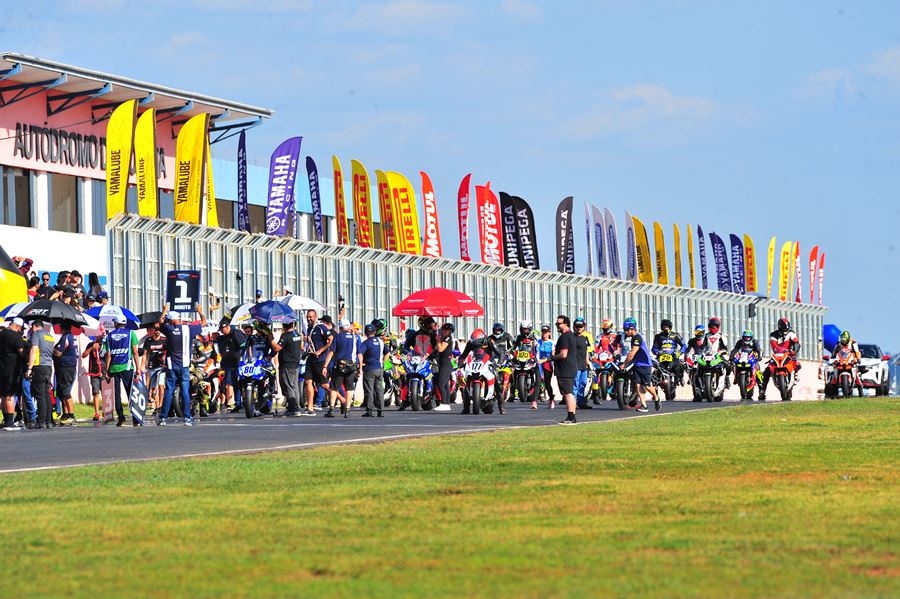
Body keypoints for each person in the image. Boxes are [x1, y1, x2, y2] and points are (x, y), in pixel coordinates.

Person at [158, 304, 207, 426]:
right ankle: (187, 418)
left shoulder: (168, 329)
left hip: (171, 365)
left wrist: (164, 310)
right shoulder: (188, 329)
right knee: (185, 390)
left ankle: (163, 418)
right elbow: (204, 323)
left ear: (170, 320)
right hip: (184, 364)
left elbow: (159, 323)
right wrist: (200, 312)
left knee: (169, 390)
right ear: (178, 319)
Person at [104, 315, 142, 426]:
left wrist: (107, 370)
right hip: (127, 367)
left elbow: (109, 354)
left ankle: (121, 419)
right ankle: (135, 418)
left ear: (115, 323)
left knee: (116, 394)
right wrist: (138, 368)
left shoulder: (109, 335)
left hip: (114, 368)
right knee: (130, 392)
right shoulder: (131, 333)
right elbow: (135, 352)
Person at [622, 317, 661, 413]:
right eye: (625, 330)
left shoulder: (637, 338)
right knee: (638, 385)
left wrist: (624, 364)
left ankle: (656, 397)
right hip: (637, 364)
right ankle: (644, 405)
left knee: (647, 385)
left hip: (645, 365)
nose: (626, 332)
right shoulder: (632, 339)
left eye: (627, 329)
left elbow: (632, 354)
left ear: (632, 329)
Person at [323, 319, 359, 418]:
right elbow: (359, 353)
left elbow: (331, 352)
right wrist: (359, 366)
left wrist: (325, 366)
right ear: (348, 327)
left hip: (339, 365)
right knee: (349, 388)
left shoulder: (337, 337)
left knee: (334, 387)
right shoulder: (354, 337)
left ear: (341, 327)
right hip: (351, 365)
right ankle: (347, 410)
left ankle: (331, 409)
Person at [759, 317, 801, 401]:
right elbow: (774, 346)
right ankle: (762, 392)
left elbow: (796, 342)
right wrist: (777, 349)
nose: (785, 329)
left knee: (797, 364)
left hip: (789, 354)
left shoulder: (791, 333)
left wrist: (794, 350)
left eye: (787, 327)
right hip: (777, 355)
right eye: (784, 328)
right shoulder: (773, 335)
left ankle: (795, 375)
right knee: (767, 371)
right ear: (779, 327)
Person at [25, 320, 55, 429]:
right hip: (48, 367)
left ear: (34, 326)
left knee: (40, 395)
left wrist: (29, 368)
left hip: (39, 367)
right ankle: (48, 421)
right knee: (46, 394)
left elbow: (34, 350)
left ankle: (41, 421)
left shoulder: (36, 335)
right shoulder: (49, 336)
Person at [304, 310, 333, 415]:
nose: (309, 319)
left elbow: (331, 339)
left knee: (325, 385)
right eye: (308, 317)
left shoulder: (321, 327)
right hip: (310, 359)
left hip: (320, 360)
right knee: (308, 382)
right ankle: (310, 407)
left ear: (315, 317)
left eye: (311, 317)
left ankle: (342, 399)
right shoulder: (308, 329)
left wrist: (320, 351)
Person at [0, 318, 27, 431]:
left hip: (1, 369)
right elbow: (22, 352)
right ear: (18, 327)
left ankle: (6, 420)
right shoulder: (15, 336)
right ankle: (10, 422)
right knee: (10, 396)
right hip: (12, 369)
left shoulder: (1, 334)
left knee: (3, 396)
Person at [272, 320, 304, 416]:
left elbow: (277, 348)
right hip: (295, 363)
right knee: (294, 387)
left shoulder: (286, 335)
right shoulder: (297, 334)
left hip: (287, 364)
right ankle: (296, 407)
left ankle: (292, 408)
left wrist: (271, 339)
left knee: (289, 386)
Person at [215, 320, 246, 413]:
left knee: (238, 383)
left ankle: (241, 402)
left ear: (227, 327)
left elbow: (243, 345)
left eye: (222, 329)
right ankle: (236, 404)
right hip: (226, 363)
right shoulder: (222, 338)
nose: (221, 331)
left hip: (237, 363)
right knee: (228, 384)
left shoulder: (236, 333)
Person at [52, 322, 79, 425]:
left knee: (65, 391)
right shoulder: (72, 337)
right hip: (66, 367)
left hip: (66, 368)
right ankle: (66, 414)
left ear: (63, 329)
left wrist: (51, 349)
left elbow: (58, 353)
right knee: (61, 391)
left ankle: (71, 415)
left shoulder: (66, 338)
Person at [552, 316, 578, 425]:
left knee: (568, 394)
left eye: (559, 324)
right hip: (569, 368)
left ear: (566, 324)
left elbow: (563, 354)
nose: (557, 326)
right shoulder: (571, 335)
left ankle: (571, 417)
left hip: (565, 369)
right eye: (556, 324)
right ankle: (571, 416)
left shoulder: (565, 337)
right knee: (569, 393)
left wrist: (552, 357)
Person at [358, 323, 387, 417]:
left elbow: (360, 354)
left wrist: (361, 365)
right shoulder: (381, 341)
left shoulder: (366, 343)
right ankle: (381, 410)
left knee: (369, 390)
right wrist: (382, 362)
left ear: (366, 333)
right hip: (379, 368)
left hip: (369, 369)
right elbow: (387, 353)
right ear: (374, 332)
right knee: (379, 390)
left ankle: (370, 410)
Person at [512, 320, 541, 409]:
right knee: (513, 372)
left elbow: (539, 346)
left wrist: (537, 353)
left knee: (538, 374)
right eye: (523, 329)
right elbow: (514, 347)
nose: (525, 331)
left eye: (527, 329)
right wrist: (512, 352)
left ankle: (540, 390)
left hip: (532, 357)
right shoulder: (518, 337)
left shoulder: (535, 336)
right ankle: (512, 393)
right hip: (521, 358)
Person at [141, 325, 168, 414]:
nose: (157, 331)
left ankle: (160, 406)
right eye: (155, 330)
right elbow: (145, 354)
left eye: (159, 330)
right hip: (151, 366)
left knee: (160, 385)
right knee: (151, 387)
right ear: (152, 330)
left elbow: (168, 353)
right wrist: (142, 366)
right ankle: (153, 404)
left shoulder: (164, 340)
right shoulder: (148, 341)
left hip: (161, 367)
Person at [651, 318, 687, 383]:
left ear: (670, 327)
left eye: (667, 327)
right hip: (662, 356)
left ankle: (680, 377)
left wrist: (679, 353)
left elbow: (684, 345)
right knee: (656, 367)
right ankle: (656, 383)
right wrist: (657, 352)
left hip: (673, 355)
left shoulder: (676, 335)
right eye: (664, 326)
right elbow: (654, 348)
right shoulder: (658, 336)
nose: (666, 328)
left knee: (680, 365)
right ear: (662, 327)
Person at [82, 332, 106, 421]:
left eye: (103, 335)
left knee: (105, 393)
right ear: (95, 335)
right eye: (100, 335)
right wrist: (92, 348)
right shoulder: (91, 344)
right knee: (96, 393)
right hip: (94, 373)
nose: (102, 336)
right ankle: (96, 412)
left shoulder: (106, 344)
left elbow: (110, 356)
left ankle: (106, 411)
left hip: (104, 372)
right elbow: (83, 355)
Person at [433, 322, 456, 412]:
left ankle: (444, 403)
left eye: (445, 329)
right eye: (442, 329)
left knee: (441, 383)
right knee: (446, 385)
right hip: (442, 363)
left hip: (446, 364)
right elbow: (436, 349)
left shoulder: (448, 338)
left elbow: (441, 348)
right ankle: (446, 403)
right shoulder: (443, 338)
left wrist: (438, 340)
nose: (443, 331)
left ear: (449, 331)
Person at [831, 330, 863, 396]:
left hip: (851, 360)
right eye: (842, 340)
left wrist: (858, 359)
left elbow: (857, 352)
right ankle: (832, 394)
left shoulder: (853, 343)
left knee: (857, 374)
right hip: (841, 361)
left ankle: (860, 390)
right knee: (833, 374)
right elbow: (834, 353)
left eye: (844, 340)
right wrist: (833, 359)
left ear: (848, 338)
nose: (843, 341)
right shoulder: (838, 344)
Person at [572, 317, 593, 409]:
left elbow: (586, 351)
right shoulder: (572, 338)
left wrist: (588, 362)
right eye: (577, 326)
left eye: (581, 326)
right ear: (574, 327)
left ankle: (581, 402)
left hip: (583, 364)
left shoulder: (585, 338)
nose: (579, 328)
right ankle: (573, 402)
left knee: (583, 383)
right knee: (575, 384)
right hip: (575, 365)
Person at [703, 317, 730, 388]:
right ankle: (698, 381)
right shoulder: (706, 336)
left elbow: (725, 347)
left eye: (715, 326)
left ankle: (727, 378)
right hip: (708, 354)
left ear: (718, 326)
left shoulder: (720, 336)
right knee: (699, 365)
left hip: (718, 354)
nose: (713, 327)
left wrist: (722, 352)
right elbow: (703, 346)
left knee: (728, 364)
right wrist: (701, 352)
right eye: (711, 326)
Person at [537, 324, 556, 408]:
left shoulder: (552, 343)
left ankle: (551, 398)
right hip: (538, 363)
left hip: (548, 363)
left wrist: (544, 360)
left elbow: (553, 356)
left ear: (549, 333)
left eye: (546, 332)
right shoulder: (538, 342)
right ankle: (537, 397)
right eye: (543, 332)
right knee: (538, 381)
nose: (544, 334)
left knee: (547, 383)